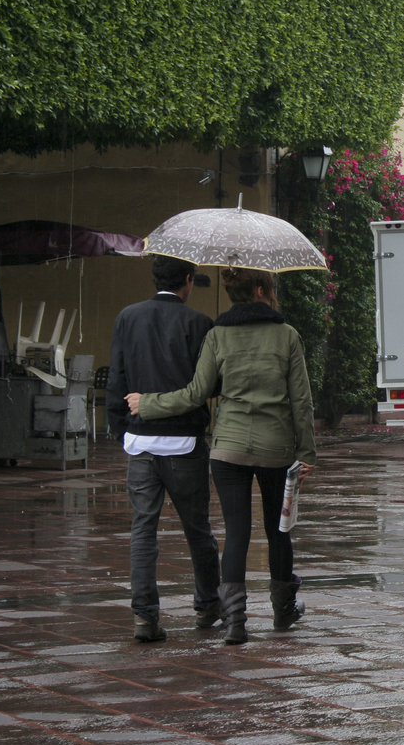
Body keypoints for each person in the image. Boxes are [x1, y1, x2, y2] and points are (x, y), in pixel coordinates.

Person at [126, 267, 316, 645]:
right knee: (279, 533)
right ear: (262, 290)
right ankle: (282, 612)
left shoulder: (217, 335)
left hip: (228, 449)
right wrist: (306, 452)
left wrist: (147, 404)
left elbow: (197, 393)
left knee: (237, 533)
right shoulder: (287, 335)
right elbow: (302, 401)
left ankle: (235, 623)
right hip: (277, 449)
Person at [106, 256, 221, 643]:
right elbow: (210, 386)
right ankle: (207, 607)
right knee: (198, 529)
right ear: (187, 280)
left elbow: (117, 378)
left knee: (143, 530)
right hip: (185, 443)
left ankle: (144, 617)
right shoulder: (200, 323)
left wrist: (122, 430)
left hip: (140, 442)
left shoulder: (128, 317)